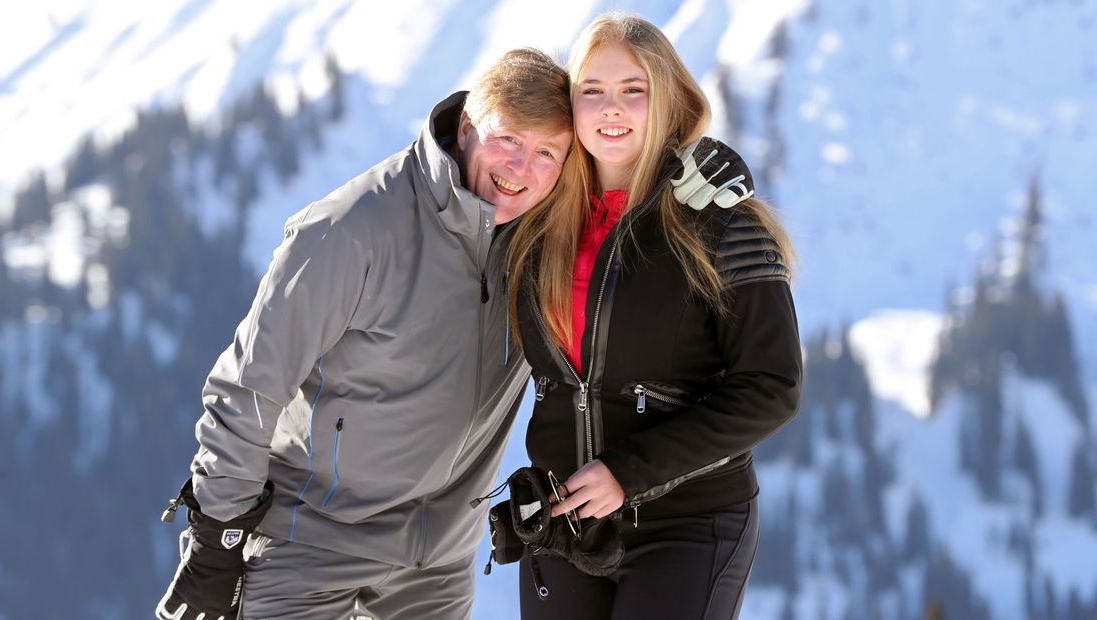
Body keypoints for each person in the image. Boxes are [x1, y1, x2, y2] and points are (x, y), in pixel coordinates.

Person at [155, 48, 573, 620]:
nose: (522, 168)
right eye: (510, 140)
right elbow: (248, 385)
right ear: (470, 125)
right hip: (310, 547)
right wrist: (216, 538)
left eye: (546, 152)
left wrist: (698, 182)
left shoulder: (545, 247)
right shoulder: (353, 230)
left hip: (438, 564)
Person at [505, 14, 802, 619]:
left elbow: (772, 387)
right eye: (592, 91)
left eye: (632, 90)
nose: (611, 108)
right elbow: (475, 144)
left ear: (666, 96)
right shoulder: (536, 223)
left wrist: (629, 471)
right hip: (563, 521)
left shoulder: (721, 221)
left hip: (687, 525)